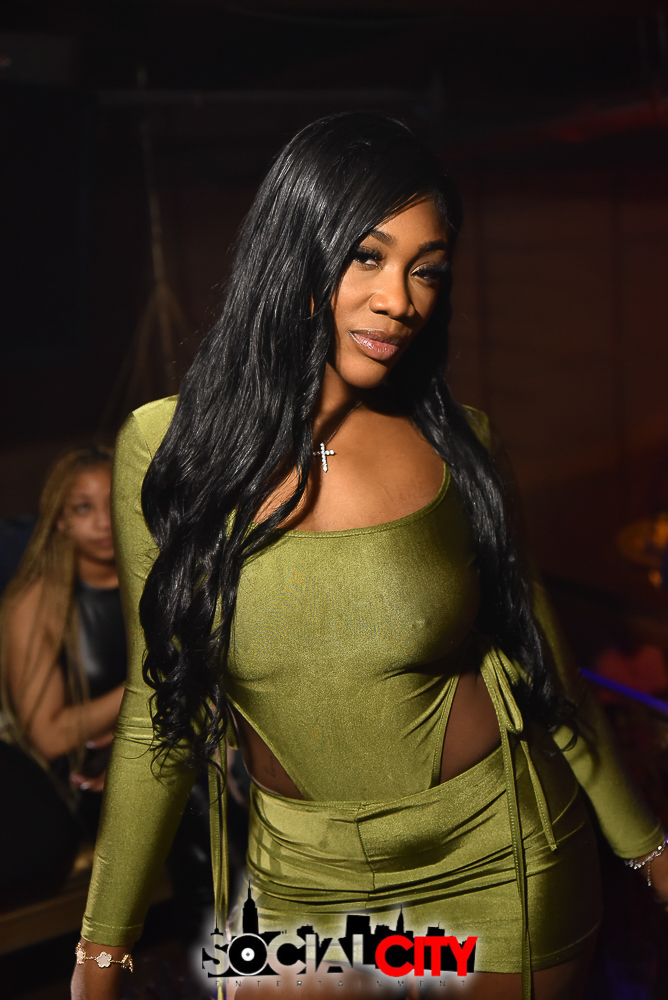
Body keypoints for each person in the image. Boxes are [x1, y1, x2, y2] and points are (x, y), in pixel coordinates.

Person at [72, 113, 668, 1000]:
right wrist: (100, 952)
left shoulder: (463, 447)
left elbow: (545, 672)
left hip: (499, 858)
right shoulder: (168, 452)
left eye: (426, 269)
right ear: (296, 252)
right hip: (302, 878)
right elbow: (160, 718)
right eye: (367, 257)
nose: (400, 299)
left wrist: (652, 853)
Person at [0, 445, 126, 899]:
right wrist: (146, 686)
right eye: (83, 508)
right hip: (82, 779)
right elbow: (51, 736)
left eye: (113, 502)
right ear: (60, 521)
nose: (104, 522)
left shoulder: (165, 579)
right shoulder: (37, 602)